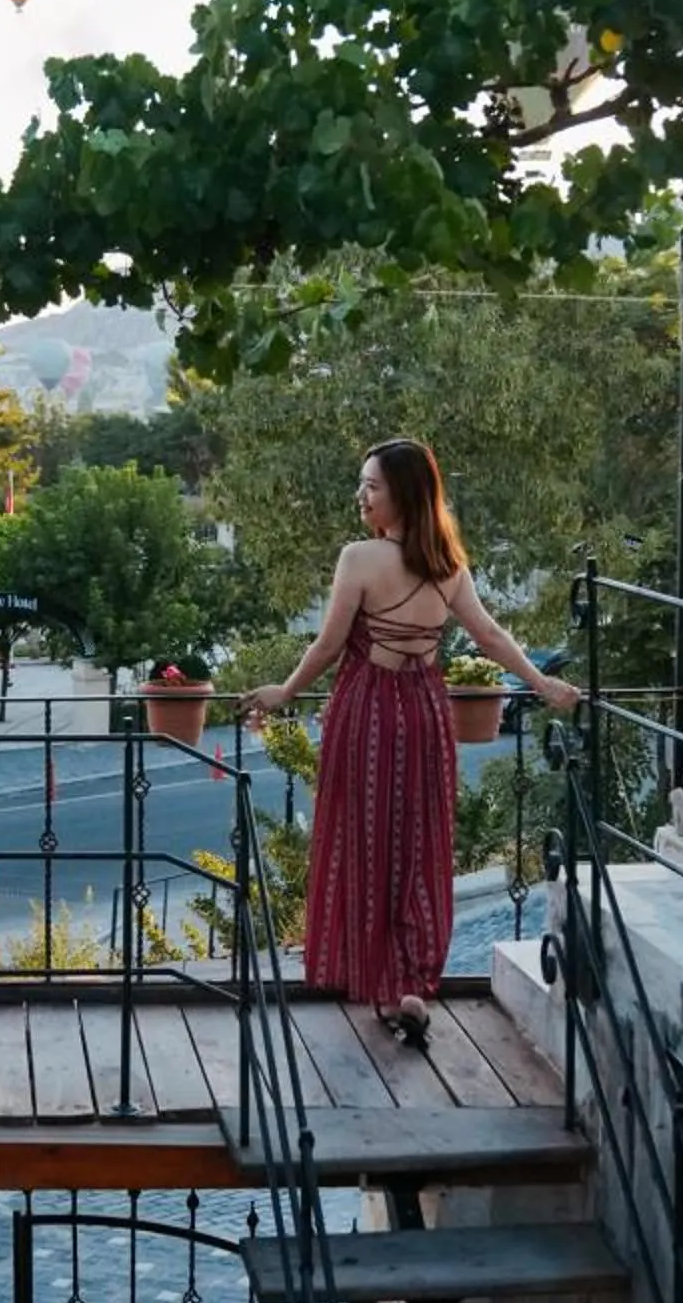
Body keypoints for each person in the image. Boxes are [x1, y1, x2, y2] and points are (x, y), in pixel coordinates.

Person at [245, 440, 581, 1047]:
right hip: (425, 712)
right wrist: (541, 683)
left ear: (402, 493)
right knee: (419, 845)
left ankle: (379, 983)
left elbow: (326, 647)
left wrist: (284, 691)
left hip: (368, 710)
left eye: (371, 485)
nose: (361, 495)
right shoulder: (448, 563)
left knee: (366, 840)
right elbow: (490, 635)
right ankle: (407, 982)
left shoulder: (359, 558)